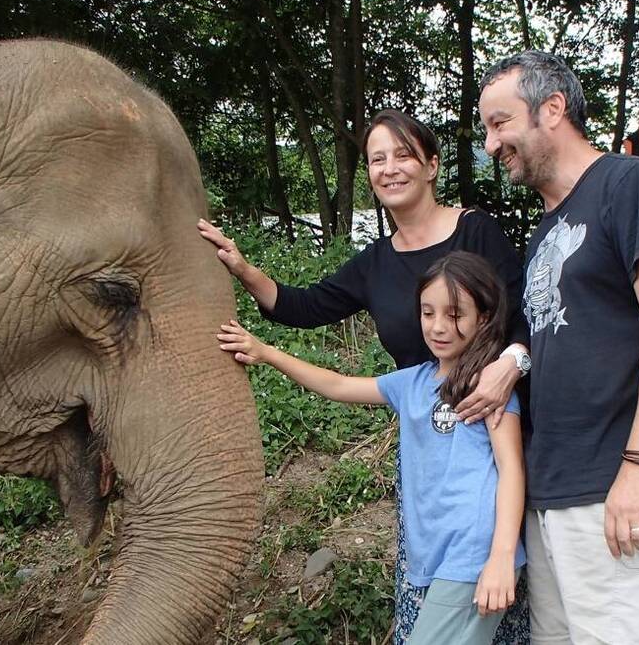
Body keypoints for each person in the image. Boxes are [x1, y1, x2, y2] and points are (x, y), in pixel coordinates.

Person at [198, 109, 532, 643]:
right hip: (430, 459)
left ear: (432, 166)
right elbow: (301, 307)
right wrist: (242, 268)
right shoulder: (376, 264)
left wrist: (509, 368)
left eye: (403, 155)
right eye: (378, 159)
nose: (390, 168)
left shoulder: (476, 231)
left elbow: (524, 317)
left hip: (494, 439)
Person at [478, 50, 639, 644]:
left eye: (500, 122)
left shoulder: (634, 184)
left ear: (551, 108)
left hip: (620, 490)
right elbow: (554, 334)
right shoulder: (542, 234)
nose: (490, 143)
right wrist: (512, 361)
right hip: (553, 496)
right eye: (486, 128)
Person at [217, 251, 526, 644]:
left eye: (454, 314)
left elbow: (512, 470)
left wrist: (500, 556)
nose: (438, 327)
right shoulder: (412, 382)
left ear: (483, 318)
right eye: (427, 313)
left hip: (473, 553)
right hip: (433, 554)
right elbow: (338, 384)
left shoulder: (488, 388)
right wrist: (266, 352)